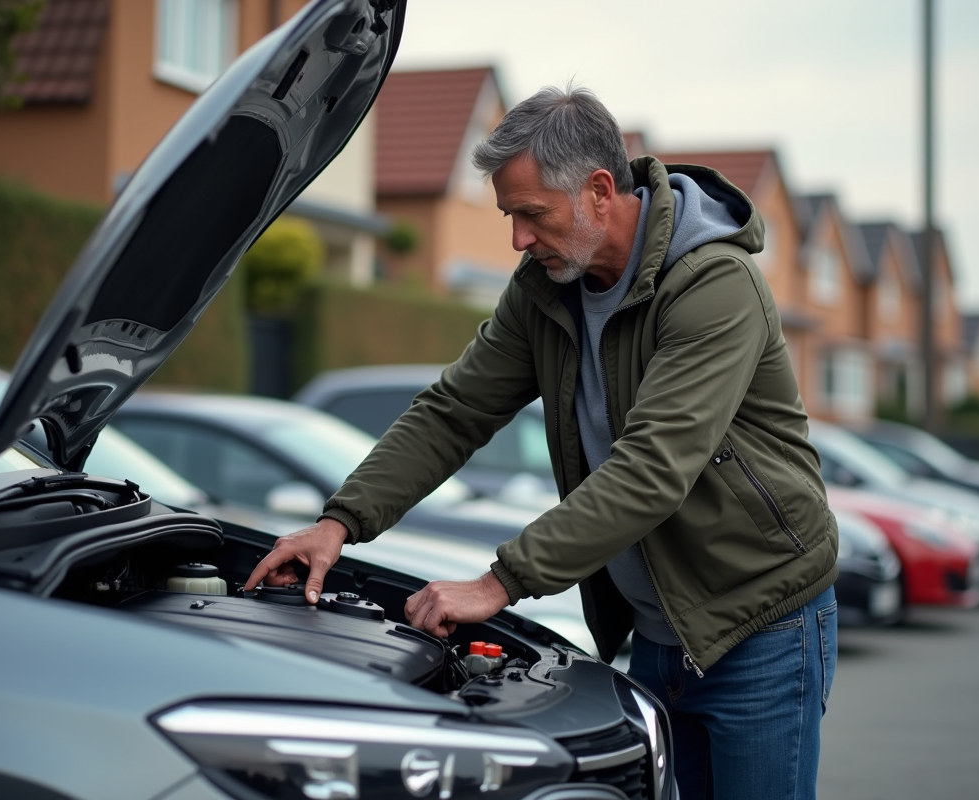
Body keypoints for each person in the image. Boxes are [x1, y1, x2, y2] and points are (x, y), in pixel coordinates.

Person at [247, 85, 839, 799]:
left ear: (598, 191)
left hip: (760, 626)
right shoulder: (544, 289)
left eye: (532, 214)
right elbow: (455, 410)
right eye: (510, 216)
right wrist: (340, 523)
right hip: (661, 635)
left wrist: (499, 584)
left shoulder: (715, 283)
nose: (519, 240)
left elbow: (652, 468)